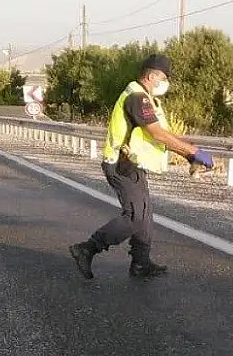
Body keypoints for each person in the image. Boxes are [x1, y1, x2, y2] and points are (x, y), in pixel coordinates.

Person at [68, 54, 214, 279]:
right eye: (163, 78)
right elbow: (154, 132)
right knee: (135, 217)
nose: (165, 83)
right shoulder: (137, 98)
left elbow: (159, 136)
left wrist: (186, 154)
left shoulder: (145, 97)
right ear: (150, 75)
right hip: (122, 165)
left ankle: (141, 263)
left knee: (144, 215)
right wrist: (192, 151)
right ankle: (88, 249)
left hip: (133, 165)